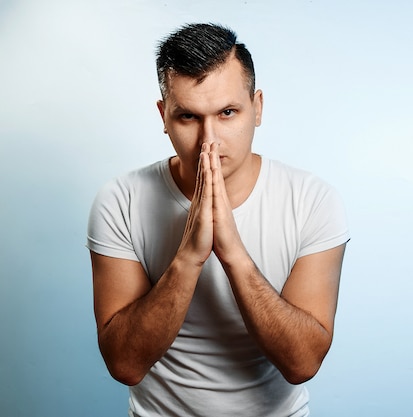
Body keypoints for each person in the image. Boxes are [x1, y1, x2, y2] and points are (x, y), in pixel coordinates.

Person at [86, 23, 349, 416]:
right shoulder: (120, 200)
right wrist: (188, 258)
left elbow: (302, 364)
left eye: (228, 112)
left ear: (257, 107)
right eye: (188, 117)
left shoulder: (312, 200)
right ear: (163, 115)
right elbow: (124, 364)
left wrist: (234, 256)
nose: (209, 139)